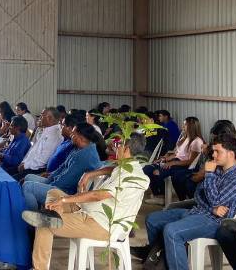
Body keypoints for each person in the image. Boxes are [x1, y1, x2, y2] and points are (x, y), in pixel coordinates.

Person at [21, 133, 150, 270]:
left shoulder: (131, 175)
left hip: (102, 224)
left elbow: (97, 196)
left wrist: (65, 200)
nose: (114, 146)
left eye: (118, 144)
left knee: (44, 222)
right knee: (53, 193)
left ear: (126, 149)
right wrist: (92, 173)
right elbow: (113, 170)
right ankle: (54, 214)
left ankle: (39, 267)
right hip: (89, 211)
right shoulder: (128, 167)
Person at [133, 134, 236, 270]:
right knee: (152, 219)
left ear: (230, 154)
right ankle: (160, 260)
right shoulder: (217, 170)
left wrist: (209, 176)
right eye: (213, 151)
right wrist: (212, 208)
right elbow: (198, 194)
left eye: (218, 151)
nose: (213, 155)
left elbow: (215, 200)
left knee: (172, 231)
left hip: (216, 222)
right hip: (200, 212)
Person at [21, 123, 102, 211]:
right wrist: (50, 176)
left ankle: (34, 217)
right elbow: (63, 166)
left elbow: (67, 180)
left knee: (28, 187)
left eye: (73, 133)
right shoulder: (79, 148)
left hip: (67, 192)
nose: (71, 135)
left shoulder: (86, 155)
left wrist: (49, 185)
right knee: (28, 177)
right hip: (60, 184)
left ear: (81, 137)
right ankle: (37, 208)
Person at [170, 119, 236, 201]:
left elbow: (202, 174)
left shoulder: (231, 150)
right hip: (203, 170)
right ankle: (184, 200)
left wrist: (199, 174)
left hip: (213, 175)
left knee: (189, 182)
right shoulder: (213, 144)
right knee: (177, 176)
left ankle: (194, 202)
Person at [144, 116, 204, 197]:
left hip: (183, 166)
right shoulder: (184, 137)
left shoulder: (197, 141)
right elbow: (177, 154)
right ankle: (158, 194)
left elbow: (190, 162)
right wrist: (165, 158)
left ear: (192, 126)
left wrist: (172, 163)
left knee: (157, 172)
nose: (182, 126)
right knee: (147, 169)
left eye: (185, 125)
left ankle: (162, 195)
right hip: (176, 162)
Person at [13, 107, 63, 181]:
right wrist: (23, 162)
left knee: (9, 181)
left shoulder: (55, 135)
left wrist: (25, 165)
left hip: (36, 170)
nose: (40, 118)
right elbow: (32, 150)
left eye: (42, 115)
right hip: (28, 165)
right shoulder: (46, 130)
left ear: (49, 118)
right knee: (4, 173)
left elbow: (43, 160)